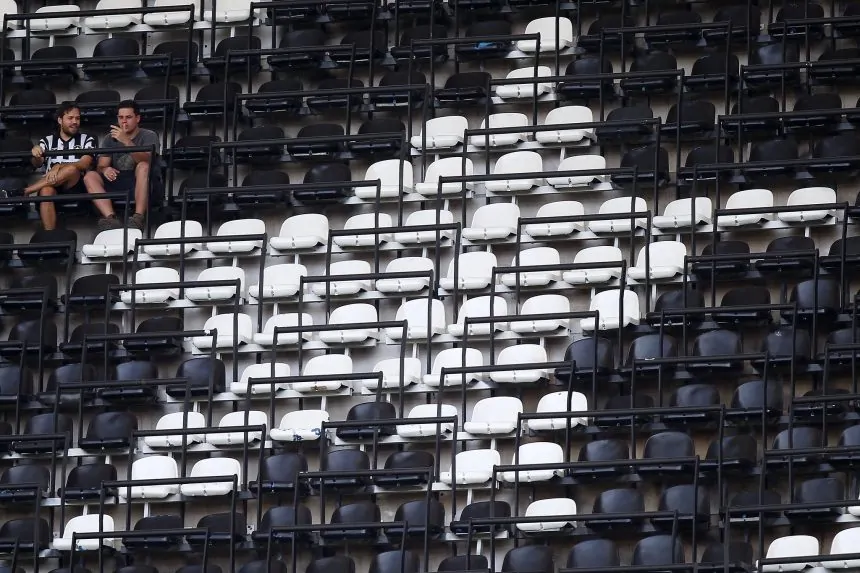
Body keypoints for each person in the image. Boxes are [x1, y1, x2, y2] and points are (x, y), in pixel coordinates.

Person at [27, 102, 122, 231]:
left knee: (72, 169)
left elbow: (84, 163)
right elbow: (37, 164)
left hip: (76, 185)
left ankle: (26, 191)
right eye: (70, 118)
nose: (75, 122)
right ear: (60, 120)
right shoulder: (47, 140)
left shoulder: (87, 139)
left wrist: (58, 166)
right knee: (46, 191)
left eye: (77, 118)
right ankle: (50, 235)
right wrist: (36, 154)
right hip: (51, 184)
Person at [83, 100, 160, 231]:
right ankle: (111, 218)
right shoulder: (109, 138)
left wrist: (126, 141)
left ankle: (138, 217)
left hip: (141, 181)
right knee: (90, 175)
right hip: (117, 180)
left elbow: (148, 160)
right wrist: (105, 169)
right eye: (120, 117)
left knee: (143, 166)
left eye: (128, 117)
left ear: (137, 118)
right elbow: (101, 166)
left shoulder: (149, 135)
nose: (124, 121)